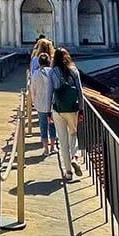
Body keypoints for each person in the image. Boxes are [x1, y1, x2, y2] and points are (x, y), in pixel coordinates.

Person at [50, 46, 84, 181]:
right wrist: (81, 109)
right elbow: (80, 91)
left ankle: (68, 172)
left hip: (58, 108)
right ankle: (75, 157)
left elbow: (50, 92)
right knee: (73, 134)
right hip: (72, 107)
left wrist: (47, 111)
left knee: (62, 141)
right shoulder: (74, 71)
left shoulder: (53, 72)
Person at [28, 52, 57, 155]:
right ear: (49, 62)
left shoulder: (35, 73)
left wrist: (34, 101)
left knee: (43, 126)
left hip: (40, 104)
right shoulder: (52, 72)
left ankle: (46, 149)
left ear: (39, 62)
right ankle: (53, 147)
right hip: (52, 104)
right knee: (53, 126)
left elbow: (33, 89)